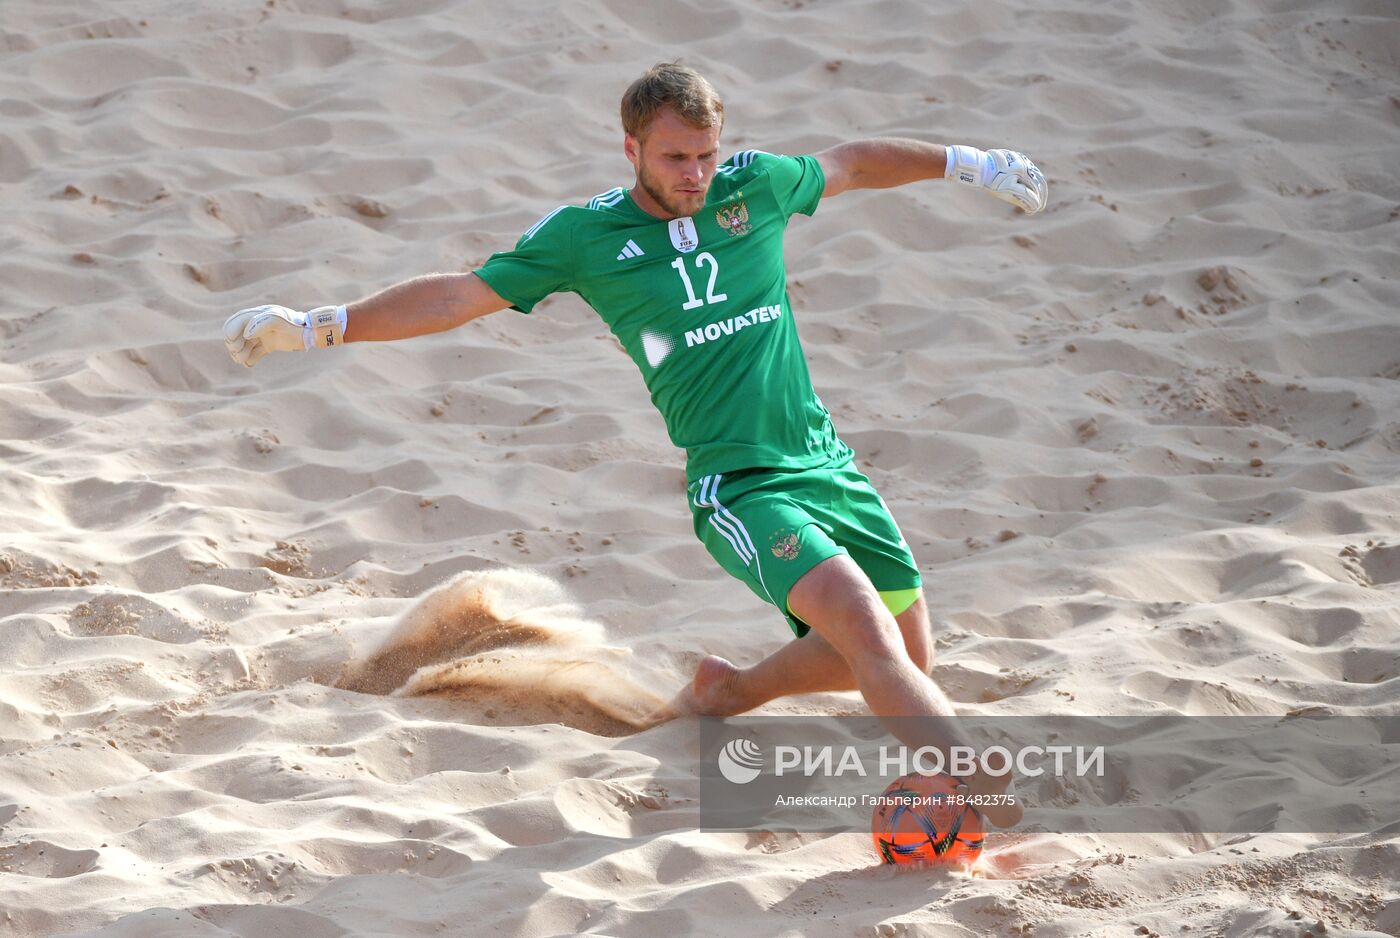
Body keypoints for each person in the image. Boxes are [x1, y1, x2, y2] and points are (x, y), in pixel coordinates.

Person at [223, 62, 1046, 825]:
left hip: (827, 463)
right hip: (741, 488)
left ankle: (726, 693)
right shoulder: (585, 238)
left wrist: (969, 162)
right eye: (676, 157)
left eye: (706, 154)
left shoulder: (755, 186)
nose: (696, 173)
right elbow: (459, 297)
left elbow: (855, 162)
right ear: (632, 149)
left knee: (904, 657)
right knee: (866, 635)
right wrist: (320, 327)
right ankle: (976, 779)